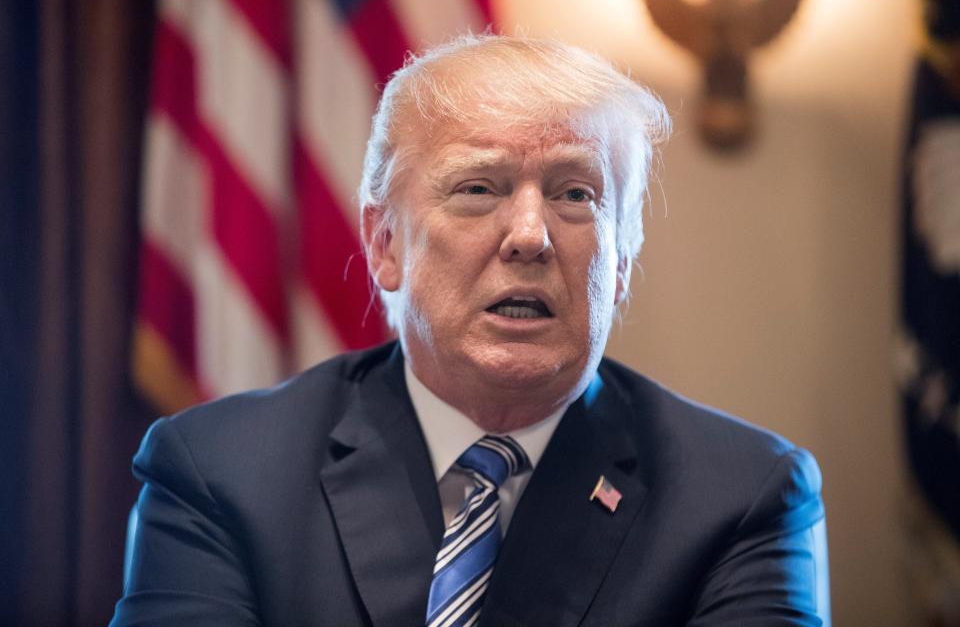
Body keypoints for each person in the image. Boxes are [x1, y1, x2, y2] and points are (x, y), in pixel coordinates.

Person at [112, 34, 829, 626]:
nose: (529, 236)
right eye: (477, 188)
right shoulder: (221, 474)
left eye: (574, 194)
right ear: (385, 243)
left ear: (621, 262)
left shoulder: (744, 497)